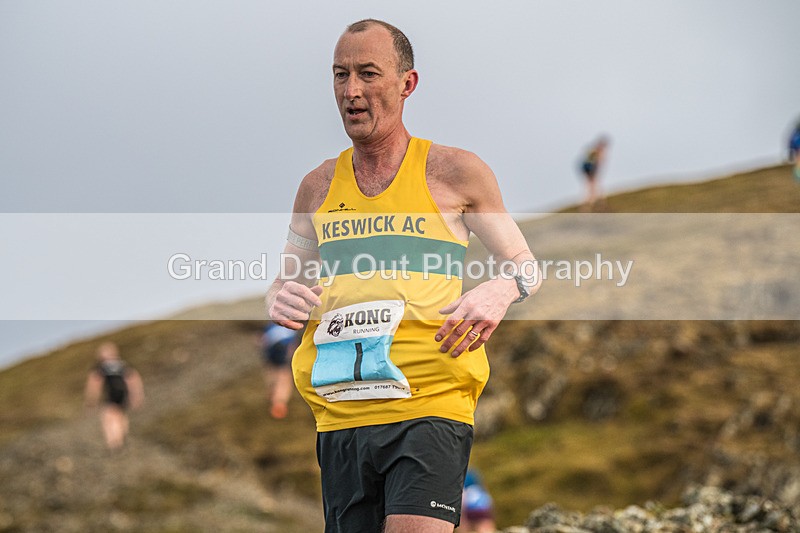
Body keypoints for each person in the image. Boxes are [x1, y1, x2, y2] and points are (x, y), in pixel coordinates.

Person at [266, 19, 540, 533]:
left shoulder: (455, 172)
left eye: (369, 74)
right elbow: (285, 284)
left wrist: (501, 290)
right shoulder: (317, 186)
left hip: (430, 399)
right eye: (340, 75)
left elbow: (524, 266)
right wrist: (278, 301)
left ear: (407, 84)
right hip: (341, 411)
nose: (351, 91)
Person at [84, 342, 144, 450]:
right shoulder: (123, 365)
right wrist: (136, 395)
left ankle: (114, 442)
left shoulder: (101, 368)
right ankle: (121, 436)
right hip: (123, 395)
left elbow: (95, 384)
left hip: (111, 395)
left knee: (109, 417)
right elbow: (134, 379)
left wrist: (91, 400)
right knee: (120, 415)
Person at [260, 322, 301, 419]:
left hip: (271, 348)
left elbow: (261, 340)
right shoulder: (292, 323)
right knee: (284, 376)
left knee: (272, 371)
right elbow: (294, 342)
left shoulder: (271, 324)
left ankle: (272, 394)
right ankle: (279, 403)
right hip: (282, 345)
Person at [458, 468, 496, 533]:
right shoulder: (472, 473)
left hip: (469, 506)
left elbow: (463, 496)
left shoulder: (459, 474)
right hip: (482, 506)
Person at [578, 135, 610, 210]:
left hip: (587, 169)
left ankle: (590, 202)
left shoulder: (592, 150)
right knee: (593, 185)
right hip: (591, 170)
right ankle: (593, 202)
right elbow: (599, 162)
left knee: (591, 185)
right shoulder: (598, 151)